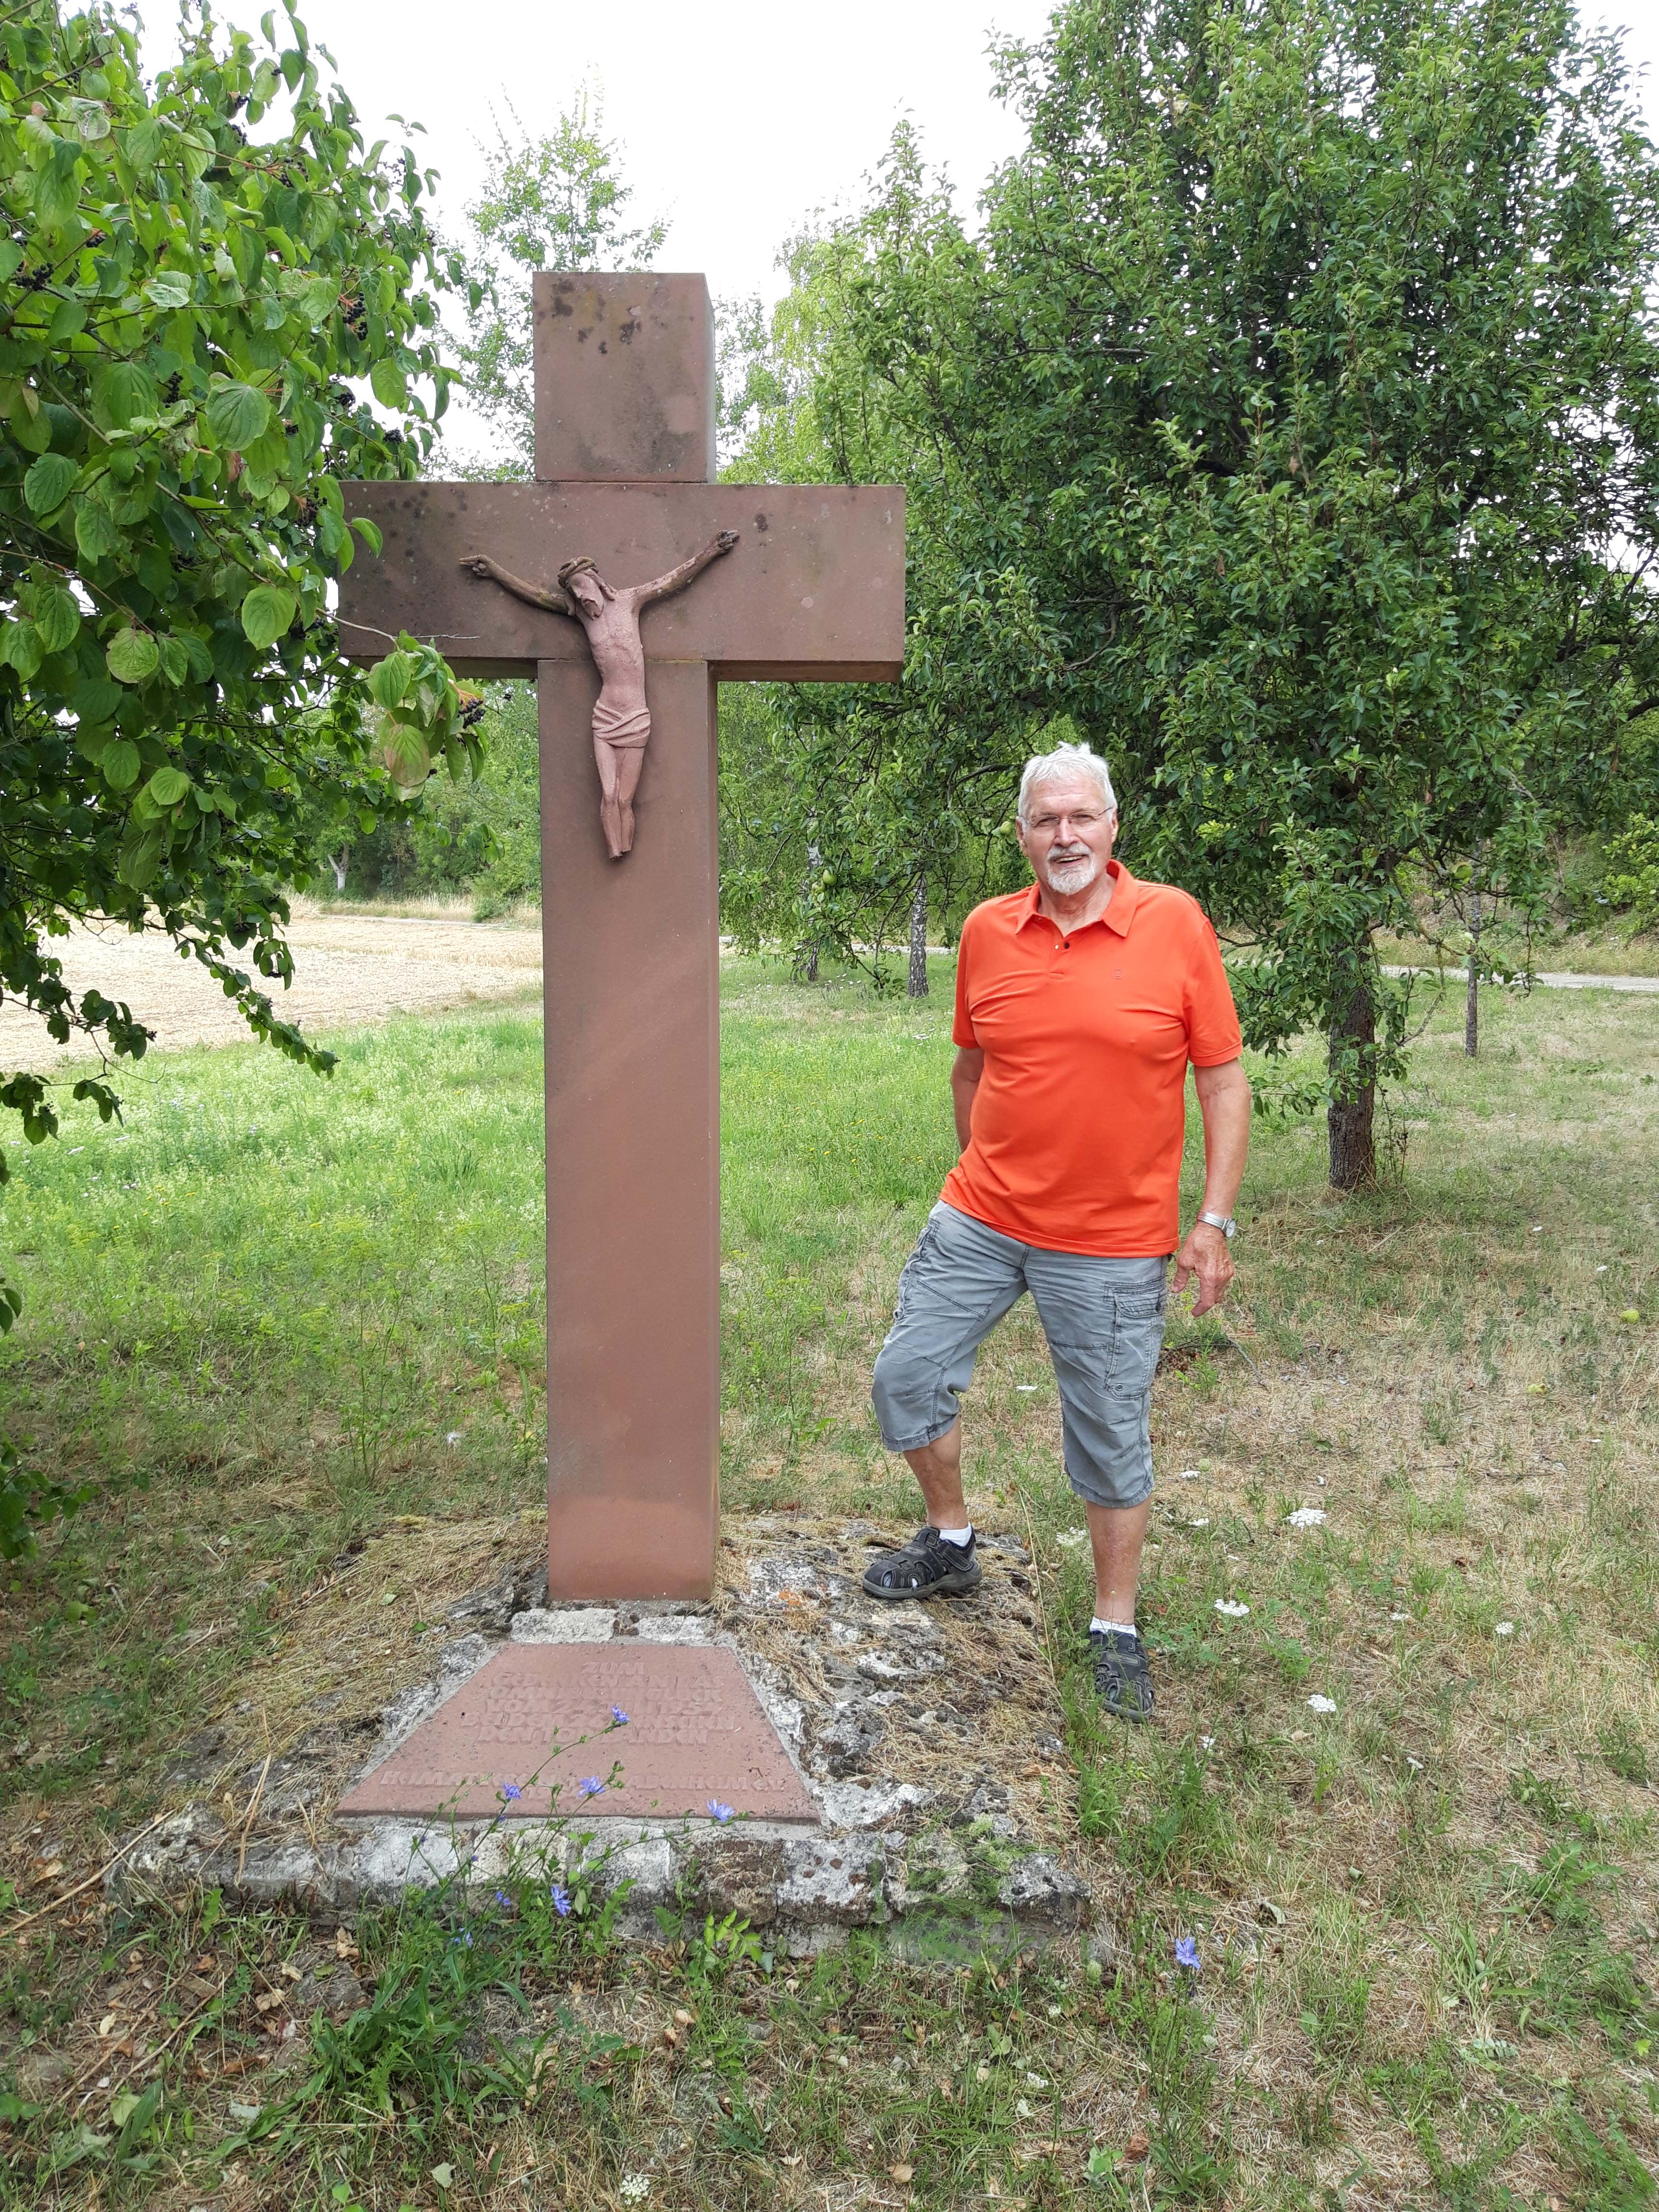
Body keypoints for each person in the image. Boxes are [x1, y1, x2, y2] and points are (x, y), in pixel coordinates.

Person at [863, 740, 1250, 1721]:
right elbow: (971, 1066)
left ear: (1113, 826)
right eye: (1047, 820)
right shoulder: (987, 930)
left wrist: (1211, 1220)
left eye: (1082, 817)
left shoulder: (1175, 923)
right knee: (906, 1377)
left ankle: (1114, 1623)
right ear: (1024, 835)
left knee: (1110, 1433)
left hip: (1113, 1241)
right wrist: (983, 1177)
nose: (1065, 835)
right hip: (983, 1216)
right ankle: (951, 1539)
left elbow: (1221, 1079)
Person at [460, 530, 738, 856]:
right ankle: (614, 850)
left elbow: (671, 581)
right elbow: (535, 596)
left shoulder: (629, 602)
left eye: (582, 587)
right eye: (575, 593)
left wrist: (711, 551)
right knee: (608, 794)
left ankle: (625, 848)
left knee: (624, 799)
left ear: (597, 581)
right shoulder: (581, 616)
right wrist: (495, 571)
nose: (581, 597)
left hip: (635, 716)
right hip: (605, 716)